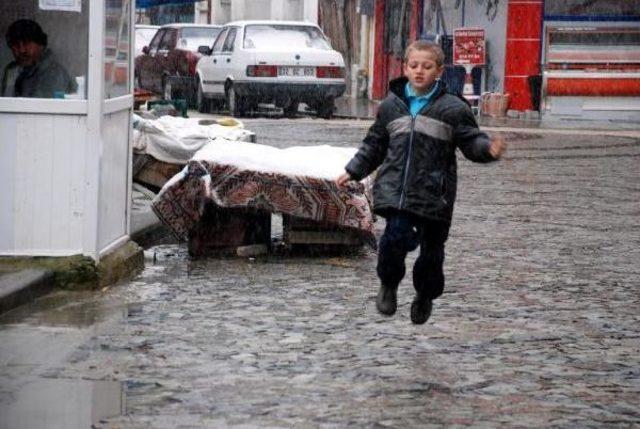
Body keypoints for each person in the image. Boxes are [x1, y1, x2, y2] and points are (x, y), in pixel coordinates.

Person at [336, 40, 506, 325]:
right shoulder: (392, 105)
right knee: (393, 240)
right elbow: (375, 143)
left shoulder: (453, 108)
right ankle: (388, 284)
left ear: (439, 70)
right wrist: (354, 169)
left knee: (432, 256)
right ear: (405, 67)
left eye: (427, 67)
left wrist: (487, 148)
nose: (419, 72)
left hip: (434, 196)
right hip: (398, 193)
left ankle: (425, 295)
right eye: (414, 66)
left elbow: (471, 140)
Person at [1, 19, 76, 98]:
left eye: (26, 43)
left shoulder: (55, 74)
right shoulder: (12, 71)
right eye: (16, 45)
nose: (22, 50)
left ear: (41, 44)